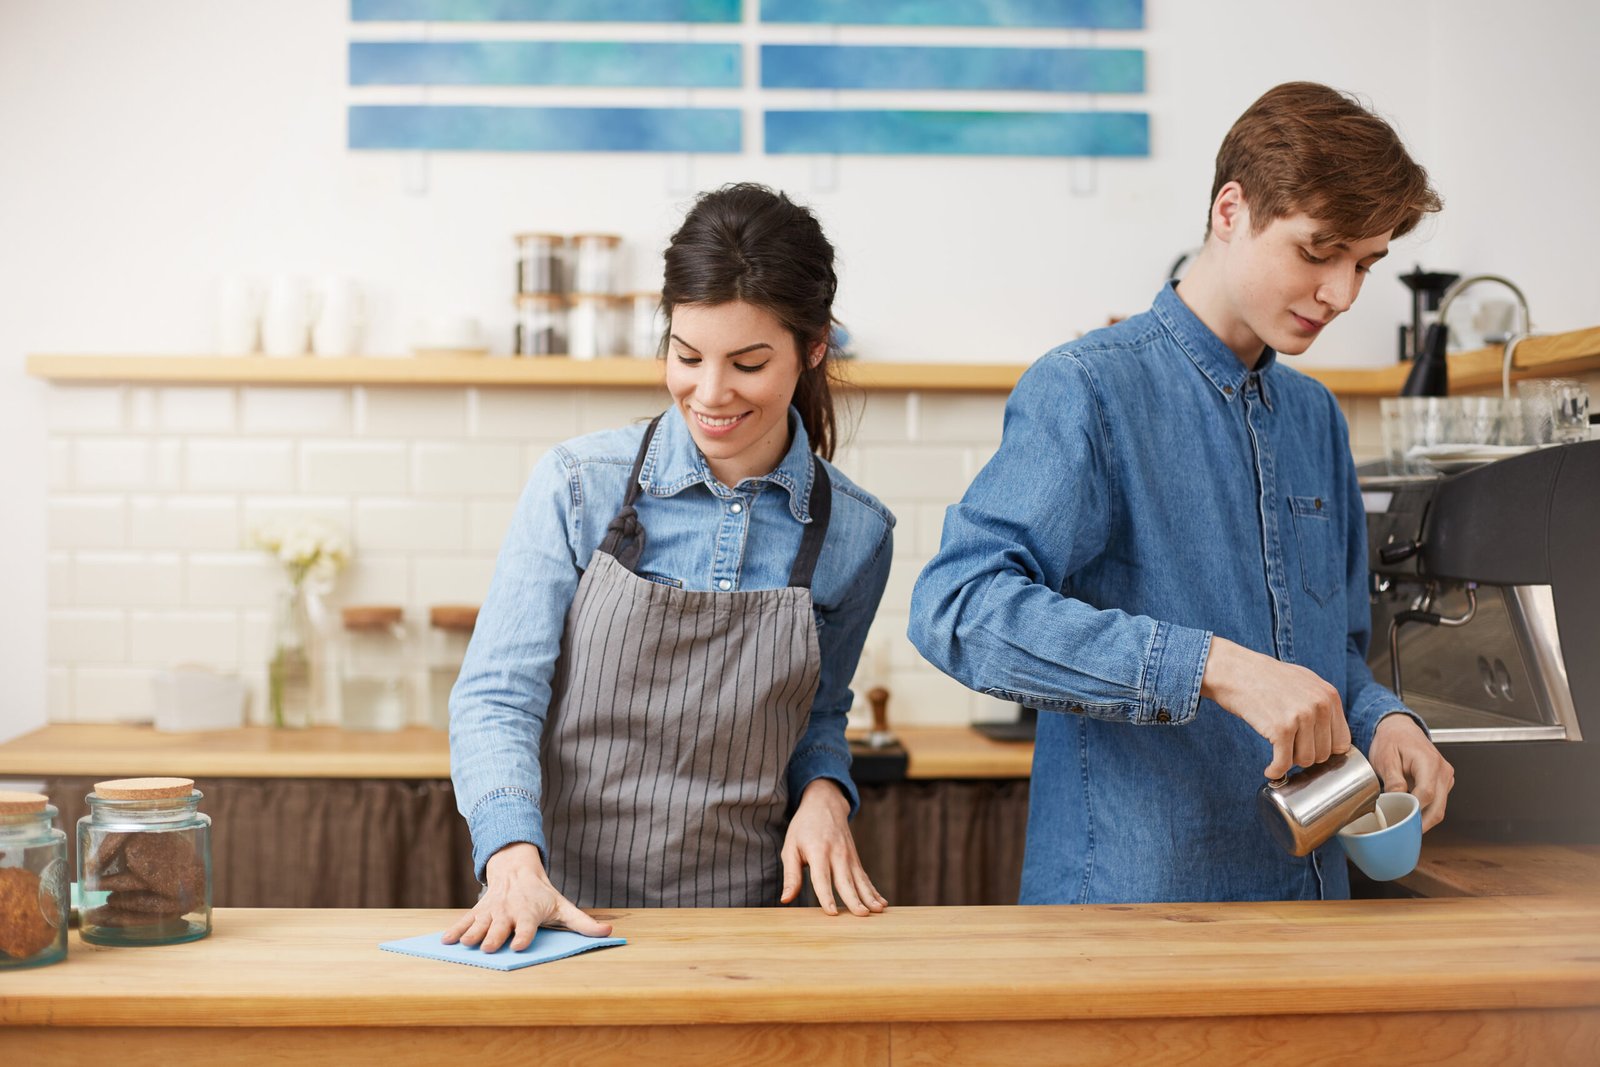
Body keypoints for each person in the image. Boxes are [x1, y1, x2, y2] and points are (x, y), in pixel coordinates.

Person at [908, 82, 1455, 904]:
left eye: (1364, 266)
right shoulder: (1088, 389)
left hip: (1313, 912)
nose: (1342, 294)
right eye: (1319, 252)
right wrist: (1214, 666)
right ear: (1231, 210)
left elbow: (1336, 651)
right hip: (1136, 920)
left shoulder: (1315, 418)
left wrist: (1385, 718)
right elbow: (957, 607)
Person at [447, 184, 894, 951]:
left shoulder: (856, 532)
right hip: (555, 916)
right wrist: (511, 858)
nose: (710, 392)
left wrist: (825, 791)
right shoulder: (577, 485)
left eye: (748, 363)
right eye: (687, 357)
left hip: (749, 929)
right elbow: (496, 696)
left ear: (815, 346)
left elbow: (817, 714)